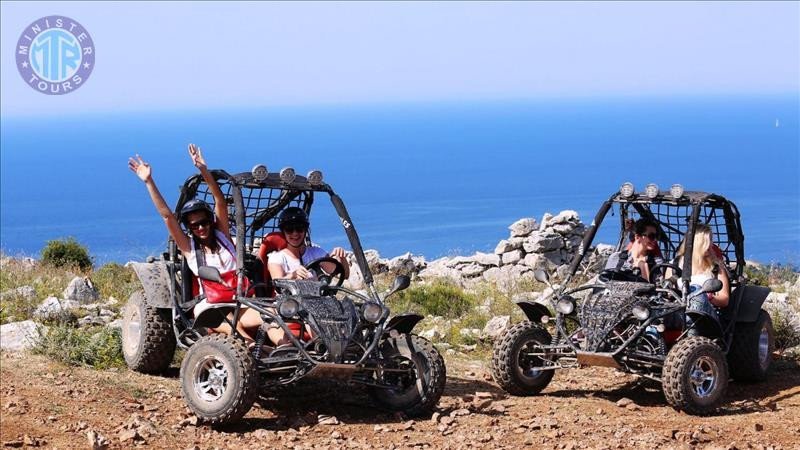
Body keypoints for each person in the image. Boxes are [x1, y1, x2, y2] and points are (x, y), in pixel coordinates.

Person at [128, 144, 262, 343]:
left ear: (211, 221)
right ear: (189, 228)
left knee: (272, 318)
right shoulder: (190, 249)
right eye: (195, 225)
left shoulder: (223, 236)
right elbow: (167, 216)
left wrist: (202, 169)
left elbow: (220, 201)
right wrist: (149, 181)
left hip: (239, 300)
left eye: (204, 222)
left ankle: (286, 348)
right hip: (210, 307)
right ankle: (248, 347)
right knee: (231, 326)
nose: (201, 228)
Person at [265, 206, 350, 345]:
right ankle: (321, 347)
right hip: (291, 305)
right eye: (289, 230)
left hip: (319, 300)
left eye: (299, 229)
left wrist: (342, 258)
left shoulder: (315, 253)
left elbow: (343, 274)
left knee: (348, 310)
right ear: (283, 232)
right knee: (312, 314)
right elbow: (277, 282)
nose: (295, 234)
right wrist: (293, 275)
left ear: (305, 230)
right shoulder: (277, 258)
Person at [674, 224, 730, 308]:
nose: (710, 244)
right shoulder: (675, 265)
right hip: (678, 310)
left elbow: (724, 299)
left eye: (710, 240)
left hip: (705, 313)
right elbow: (667, 290)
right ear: (696, 243)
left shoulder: (716, 267)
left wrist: (709, 298)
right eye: (706, 241)